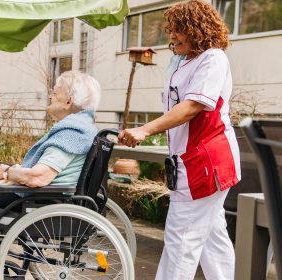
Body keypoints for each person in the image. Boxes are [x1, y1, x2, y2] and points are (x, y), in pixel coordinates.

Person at [0, 70, 102, 279]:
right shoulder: (83, 127)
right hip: (50, 197)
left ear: (68, 101)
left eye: (55, 92)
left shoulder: (72, 133)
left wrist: (8, 171)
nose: (50, 95)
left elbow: (38, 178)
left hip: (39, 200)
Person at [118, 1, 240, 279]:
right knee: (212, 239)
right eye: (170, 29)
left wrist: (144, 130)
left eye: (178, 29)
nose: (171, 35)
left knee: (181, 239)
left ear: (198, 29)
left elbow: (192, 106)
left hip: (205, 164)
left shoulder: (213, 58)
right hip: (192, 163)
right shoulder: (185, 62)